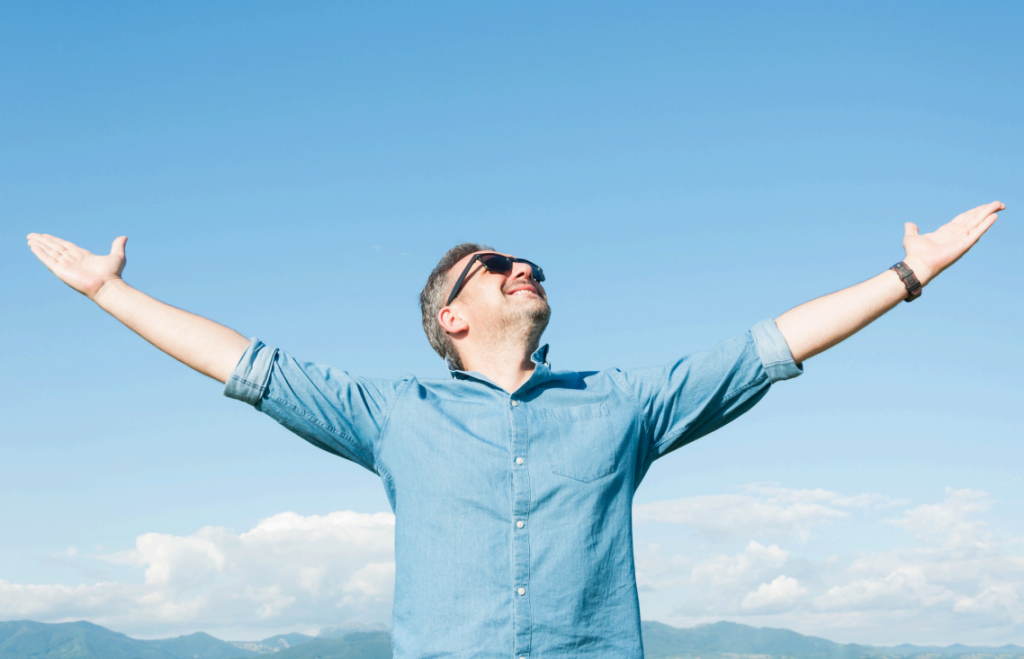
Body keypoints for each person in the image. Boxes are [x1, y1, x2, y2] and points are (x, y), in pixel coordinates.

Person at [26, 201, 1004, 658]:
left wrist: (909, 274)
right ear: (450, 316)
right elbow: (245, 363)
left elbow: (763, 349)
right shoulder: (392, 414)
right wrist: (113, 293)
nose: (519, 264)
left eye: (526, 257)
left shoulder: (621, 402)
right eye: (492, 263)